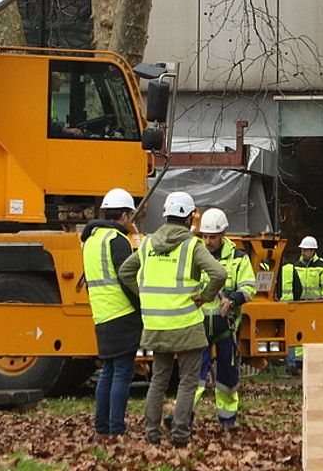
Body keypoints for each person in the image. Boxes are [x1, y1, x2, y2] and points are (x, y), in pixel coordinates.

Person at [119, 191, 227, 448]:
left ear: (166, 214)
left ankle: (151, 433)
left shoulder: (146, 244)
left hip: (156, 325)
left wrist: (144, 295)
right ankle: (180, 434)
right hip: (186, 325)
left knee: (158, 379)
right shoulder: (191, 245)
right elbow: (219, 273)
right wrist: (206, 296)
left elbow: (125, 271)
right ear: (190, 217)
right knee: (188, 381)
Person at [81, 188, 142, 439]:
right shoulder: (117, 241)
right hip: (122, 313)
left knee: (107, 372)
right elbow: (128, 279)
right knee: (122, 373)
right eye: (131, 216)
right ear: (125, 215)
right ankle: (117, 428)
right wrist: (141, 306)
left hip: (102, 314)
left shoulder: (90, 240)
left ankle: (102, 428)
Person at [193, 208, 258, 435]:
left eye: (212, 237)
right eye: (205, 236)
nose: (208, 241)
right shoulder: (196, 255)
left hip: (226, 328)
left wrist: (232, 299)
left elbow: (250, 287)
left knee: (227, 377)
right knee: (193, 376)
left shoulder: (239, 258)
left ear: (223, 234)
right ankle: (184, 417)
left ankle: (227, 421)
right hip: (198, 326)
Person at [278, 236, 323, 373]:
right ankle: (297, 362)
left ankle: (312, 360)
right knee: (298, 332)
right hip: (300, 305)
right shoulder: (296, 266)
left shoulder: (322, 266)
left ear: (313, 251)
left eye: (306, 250)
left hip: (315, 306)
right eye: (302, 250)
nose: (303, 253)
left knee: (314, 333)